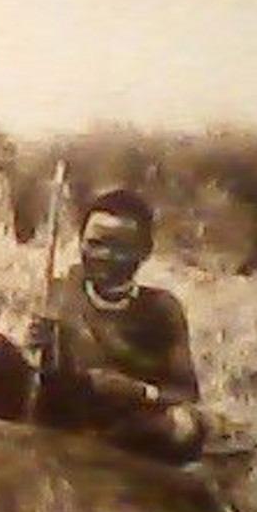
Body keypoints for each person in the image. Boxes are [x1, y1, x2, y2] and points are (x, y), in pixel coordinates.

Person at [25, 187, 207, 465]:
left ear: (145, 252)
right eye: (95, 243)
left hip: (130, 425)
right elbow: (48, 380)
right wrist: (37, 349)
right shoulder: (61, 291)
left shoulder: (161, 308)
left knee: (185, 426)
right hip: (68, 420)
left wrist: (139, 391)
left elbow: (186, 394)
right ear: (80, 242)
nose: (104, 256)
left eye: (121, 248)